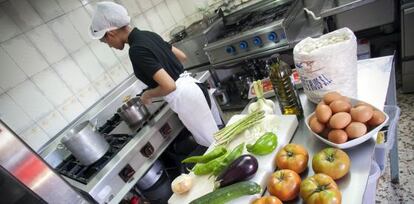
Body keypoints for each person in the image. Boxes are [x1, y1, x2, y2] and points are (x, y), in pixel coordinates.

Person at [89, 2, 218, 147]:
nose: (109, 45)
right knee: (220, 137)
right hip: (195, 87)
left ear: (111, 33)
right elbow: (182, 56)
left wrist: (147, 95)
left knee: (214, 146)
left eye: (105, 41)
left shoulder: (136, 50)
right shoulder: (148, 35)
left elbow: (169, 86)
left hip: (186, 98)